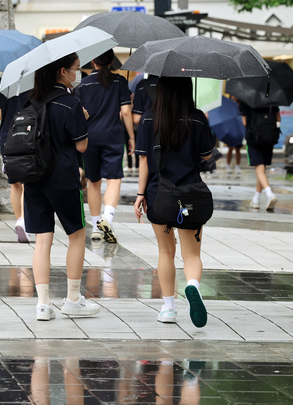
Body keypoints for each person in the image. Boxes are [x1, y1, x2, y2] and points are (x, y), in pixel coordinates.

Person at [24, 52, 100, 321]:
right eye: (76, 69)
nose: (77, 74)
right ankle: (72, 300)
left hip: (33, 179)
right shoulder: (70, 103)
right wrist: (83, 118)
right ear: (62, 71)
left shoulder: (30, 100)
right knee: (76, 235)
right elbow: (81, 145)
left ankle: (43, 305)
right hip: (63, 180)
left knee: (42, 241)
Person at [134, 76, 214, 328]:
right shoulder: (198, 117)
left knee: (165, 252)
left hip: (159, 195)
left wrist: (139, 194)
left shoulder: (149, 118)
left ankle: (169, 308)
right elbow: (207, 156)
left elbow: (145, 161)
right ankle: (192, 286)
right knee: (191, 254)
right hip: (191, 194)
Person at [75, 49, 135, 244]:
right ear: (111, 61)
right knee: (114, 179)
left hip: (90, 138)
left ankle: (95, 227)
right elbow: (126, 112)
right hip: (113, 137)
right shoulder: (119, 82)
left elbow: (80, 114)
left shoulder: (83, 84)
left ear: (93, 61)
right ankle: (107, 219)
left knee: (93, 182)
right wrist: (131, 137)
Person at [0, 79, 30, 242]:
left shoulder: (1, 83)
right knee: (28, 182)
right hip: (30, 134)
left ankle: (19, 220)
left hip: (8, 136)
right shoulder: (33, 81)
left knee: (15, 183)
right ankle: (25, 222)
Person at [239, 103, 279, 211]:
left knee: (259, 169)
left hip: (253, 138)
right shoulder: (271, 98)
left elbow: (244, 122)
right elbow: (278, 118)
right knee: (262, 170)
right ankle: (256, 199)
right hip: (269, 138)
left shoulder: (246, 100)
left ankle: (269, 194)